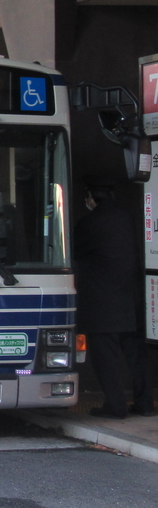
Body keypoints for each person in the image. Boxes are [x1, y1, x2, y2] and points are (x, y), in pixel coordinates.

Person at [73, 177, 154, 418]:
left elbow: (76, 252)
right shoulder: (127, 219)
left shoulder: (88, 223)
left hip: (101, 302)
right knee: (136, 355)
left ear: (91, 199)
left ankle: (116, 405)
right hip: (131, 299)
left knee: (105, 357)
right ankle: (145, 404)